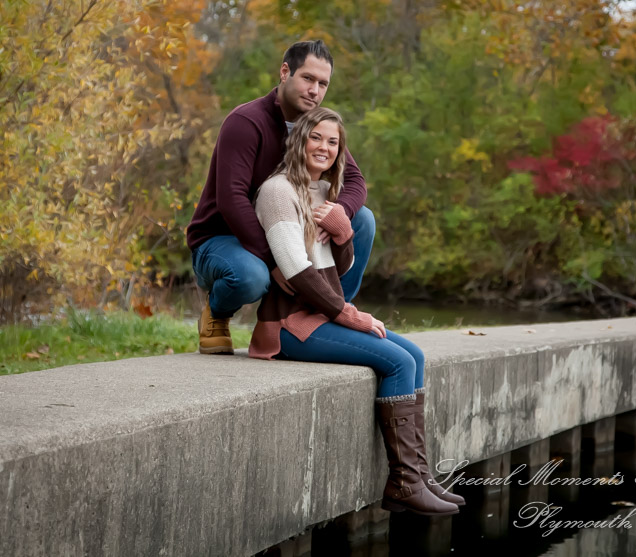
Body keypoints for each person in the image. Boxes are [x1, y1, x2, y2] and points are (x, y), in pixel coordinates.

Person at [250, 106, 465, 516]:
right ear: (299, 140)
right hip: (289, 326)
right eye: (316, 137)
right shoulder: (278, 192)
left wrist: (343, 230)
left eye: (333, 142)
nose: (324, 147)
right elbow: (295, 270)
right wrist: (349, 314)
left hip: (318, 317)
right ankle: (403, 483)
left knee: (415, 355)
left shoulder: (322, 192)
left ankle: (419, 474)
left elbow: (340, 268)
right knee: (399, 362)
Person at [186, 40, 375, 355]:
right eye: (308, 78)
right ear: (285, 72)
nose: (315, 90)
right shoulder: (246, 122)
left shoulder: (315, 126)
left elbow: (355, 180)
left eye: (323, 84)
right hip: (224, 239)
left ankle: (333, 309)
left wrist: (337, 213)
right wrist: (274, 260)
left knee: (362, 219)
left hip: (288, 231)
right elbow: (231, 198)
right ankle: (217, 312)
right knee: (250, 276)